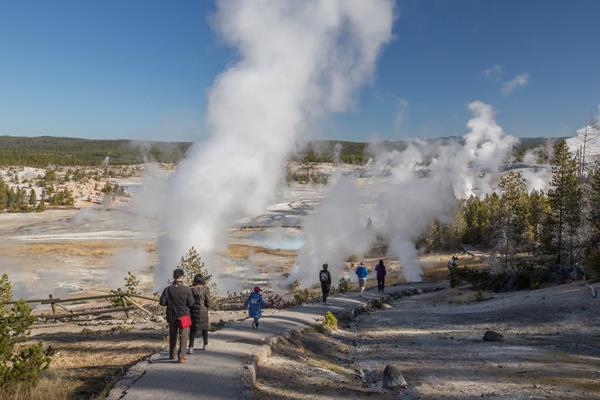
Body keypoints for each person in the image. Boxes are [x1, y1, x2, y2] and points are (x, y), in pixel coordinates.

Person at [159, 268, 194, 363]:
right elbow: (191, 303)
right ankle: (181, 356)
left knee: (173, 335)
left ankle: (172, 354)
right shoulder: (187, 290)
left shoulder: (167, 289)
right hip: (184, 316)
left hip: (172, 316)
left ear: (174, 277)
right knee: (183, 336)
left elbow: (162, 302)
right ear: (182, 277)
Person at [188, 274, 210, 354]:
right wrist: (207, 307)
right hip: (203, 311)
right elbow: (208, 301)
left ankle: (191, 347)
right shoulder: (206, 289)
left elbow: (189, 301)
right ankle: (205, 344)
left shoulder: (190, 289)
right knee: (205, 328)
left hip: (193, 311)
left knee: (193, 330)